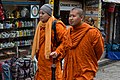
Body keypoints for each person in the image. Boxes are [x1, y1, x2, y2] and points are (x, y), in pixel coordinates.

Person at [62, 7, 104, 80]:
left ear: (81, 17)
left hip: (85, 71)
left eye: (74, 16)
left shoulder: (92, 32)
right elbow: (65, 49)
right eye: (69, 16)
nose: (71, 18)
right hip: (70, 71)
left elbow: (99, 52)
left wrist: (87, 60)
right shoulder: (68, 32)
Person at [31, 4, 71, 80]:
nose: (40, 15)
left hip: (52, 64)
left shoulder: (57, 25)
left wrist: (57, 52)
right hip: (41, 64)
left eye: (43, 13)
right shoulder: (40, 25)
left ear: (49, 14)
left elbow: (66, 41)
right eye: (39, 13)